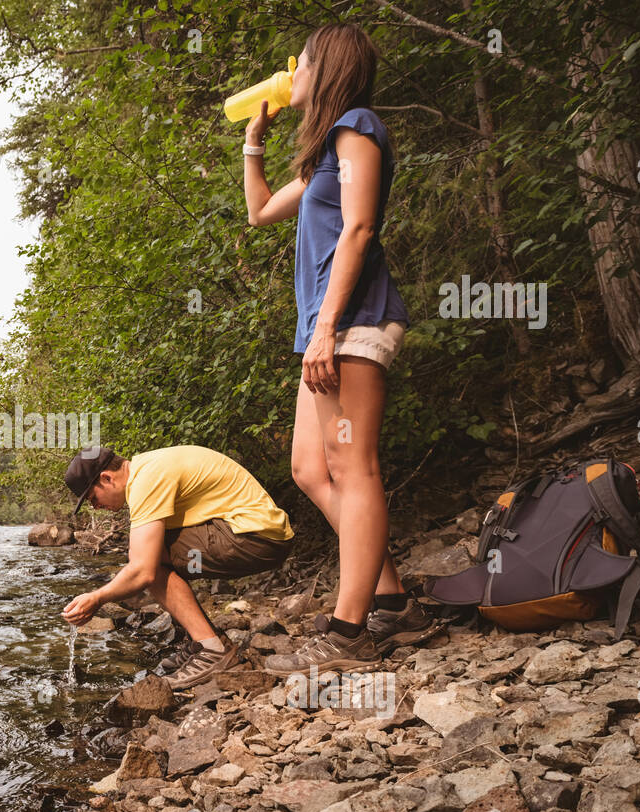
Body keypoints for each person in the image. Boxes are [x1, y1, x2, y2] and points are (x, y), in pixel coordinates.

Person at [241, 23, 443, 675]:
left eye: (299, 61)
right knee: (309, 467)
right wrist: (253, 144)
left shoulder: (356, 127)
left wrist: (326, 325)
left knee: (353, 466)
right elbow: (263, 210)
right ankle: (391, 597)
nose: (290, 70)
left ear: (326, 69)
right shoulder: (324, 154)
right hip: (324, 328)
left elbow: (358, 227)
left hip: (353, 321)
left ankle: (349, 629)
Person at [60, 445, 294, 689]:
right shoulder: (147, 468)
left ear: (107, 479)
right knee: (148, 554)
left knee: (150, 563)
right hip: (255, 535)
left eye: (93, 498)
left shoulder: (146, 480)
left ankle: (213, 650)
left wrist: (97, 598)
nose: (95, 507)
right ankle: (199, 640)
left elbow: (142, 570)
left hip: (257, 538)